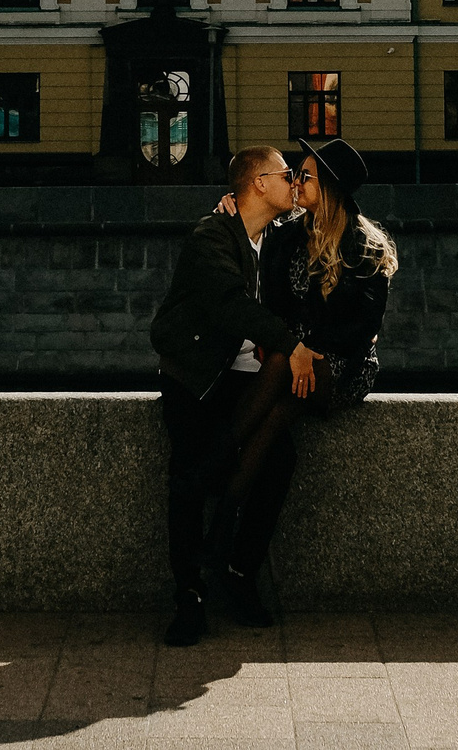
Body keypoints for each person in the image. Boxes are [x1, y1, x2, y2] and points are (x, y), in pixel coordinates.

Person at [149, 145, 318, 646]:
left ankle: (239, 572)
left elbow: (333, 216)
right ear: (258, 183)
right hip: (198, 374)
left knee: (279, 460)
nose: (293, 182)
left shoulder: (284, 237)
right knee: (189, 473)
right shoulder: (211, 235)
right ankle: (189, 595)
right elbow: (228, 302)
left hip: (251, 376)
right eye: (286, 174)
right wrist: (293, 346)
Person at [212, 137, 398, 518]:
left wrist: (303, 348)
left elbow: (362, 332)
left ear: (328, 188)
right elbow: (253, 234)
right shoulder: (290, 235)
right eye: (294, 174)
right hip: (293, 357)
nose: (295, 182)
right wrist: (229, 207)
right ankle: (222, 515)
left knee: (285, 372)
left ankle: (215, 466)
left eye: (305, 177)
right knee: (279, 405)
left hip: (345, 365)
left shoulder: (366, 248)